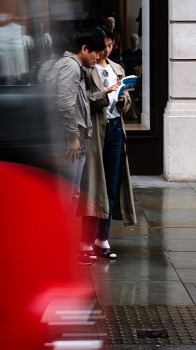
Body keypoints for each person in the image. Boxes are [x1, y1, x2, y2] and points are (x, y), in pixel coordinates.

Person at [49, 26, 106, 264]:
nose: (98, 57)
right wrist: (73, 136)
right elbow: (64, 104)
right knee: (66, 197)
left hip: (75, 141)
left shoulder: (73, 67)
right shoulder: (71, 67)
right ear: (84, 49)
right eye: (96, 53)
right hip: (70, 143)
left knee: (70, 196)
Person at [82, 27, 137, 260]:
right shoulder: (86, 68)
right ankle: (85, 240)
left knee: (112, 184)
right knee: (94, 186)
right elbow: (83, 103)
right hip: (97, 131)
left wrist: (124, 99)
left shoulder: (117, 68)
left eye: (110, 45)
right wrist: (104, 94)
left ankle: (102, 238)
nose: (106, 50)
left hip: (115, 129)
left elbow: (127, 106)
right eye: (103, 46)